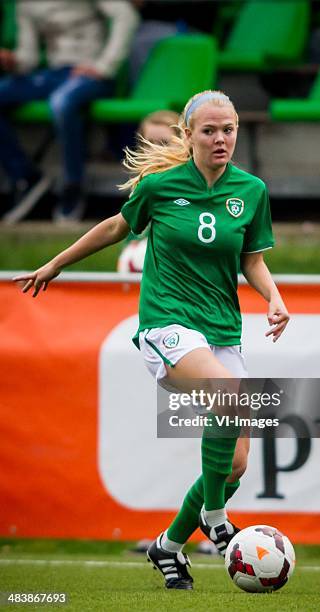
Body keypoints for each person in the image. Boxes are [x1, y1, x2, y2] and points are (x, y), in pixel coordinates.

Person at [13, 90, 290, 590]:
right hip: (167, 325)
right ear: (188, 136)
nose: (221, 138)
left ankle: (168, 545)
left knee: (236, 465)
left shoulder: (251, 190)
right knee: (229, 401)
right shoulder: (161, 186)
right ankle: (216, 518)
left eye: (228, 129)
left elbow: (252, 260)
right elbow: (116, 227)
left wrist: (273, 296)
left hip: (222, 329)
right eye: (209, 130)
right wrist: (56, 263)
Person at [0, 0, 138, 223]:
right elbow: (29, 59)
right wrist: (13, 62)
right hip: (54, 74)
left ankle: (73, 185)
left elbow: (126, 15)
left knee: (61, 102)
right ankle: (26, 177)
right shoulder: (25, 4)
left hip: (90, 74)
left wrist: (105, 66)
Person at [117, 110, 180, 273]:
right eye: (149, 143)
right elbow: (122, 236)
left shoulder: (195, 187)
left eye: (164, 143)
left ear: (184, 144)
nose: (156, 150)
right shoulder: (143, 189)